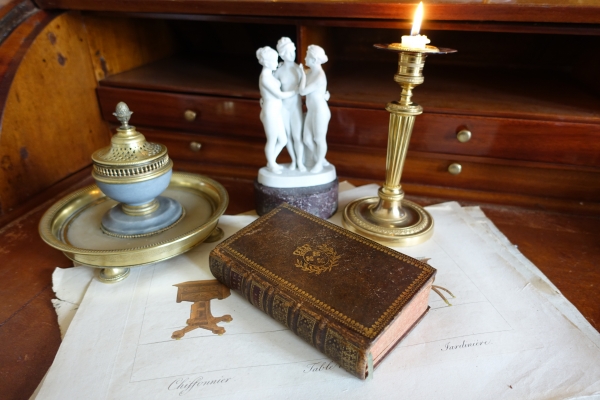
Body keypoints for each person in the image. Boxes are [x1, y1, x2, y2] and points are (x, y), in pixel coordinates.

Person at [256, 46, 296, 173]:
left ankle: (271, 160)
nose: (276, 63)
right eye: (274, 61)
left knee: (283, 140)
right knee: (272, 140)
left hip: (276, 111)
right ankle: (272, 164)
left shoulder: (271, 75)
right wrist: (296, 90)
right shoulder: (265, 78)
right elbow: (280, 95)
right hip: (270, 112)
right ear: (267, 63)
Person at [274, 37, 306, 171]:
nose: (291, 54)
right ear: (281, 54)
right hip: (284, 108)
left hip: (295, 108)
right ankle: (293, 160)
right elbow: (273, 90)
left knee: (297, 136)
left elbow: (304, 90)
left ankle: (300, 162)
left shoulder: (299, 70)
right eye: (287, 52)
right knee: (287, 137)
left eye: (292, 51)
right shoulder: (278, 72)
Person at [298, 45, 331, 173]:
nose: (305, 58)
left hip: (320, 111)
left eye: (307, 56)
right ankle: (320, 158)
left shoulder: (319, 77)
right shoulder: (311, 72)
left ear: (314, 59)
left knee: (318, 139)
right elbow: (301, 72)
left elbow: (302, 91)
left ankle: (319, 163)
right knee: (306, 139)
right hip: (312, 111)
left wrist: (302, 74)